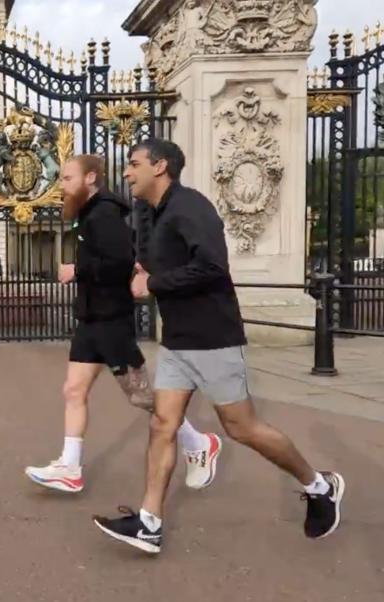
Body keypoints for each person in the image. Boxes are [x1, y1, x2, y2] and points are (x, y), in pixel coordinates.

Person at [93, 139, 344, 554]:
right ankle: (149, 523)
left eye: (133, 164)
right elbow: (176, 263)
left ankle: (320, 486)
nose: (125, 172)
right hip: (178, 341)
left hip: (213, 338)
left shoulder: (191, 206)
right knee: (162, 424)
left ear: (159, 167)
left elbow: (212, 266)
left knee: (242, 428)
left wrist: (152, 283)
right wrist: (146, 268)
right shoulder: (157, 214)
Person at [24, 154, 222, 494]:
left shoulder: (104, 214)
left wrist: (77, 271)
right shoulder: (88, 214)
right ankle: (70, 467)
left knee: (142, 397)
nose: (62, 185)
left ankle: (198, 442)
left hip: (111, 321)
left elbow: (119, 263)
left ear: (89, 179)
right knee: (73, 390)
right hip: (90, 320)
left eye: (68, 178)